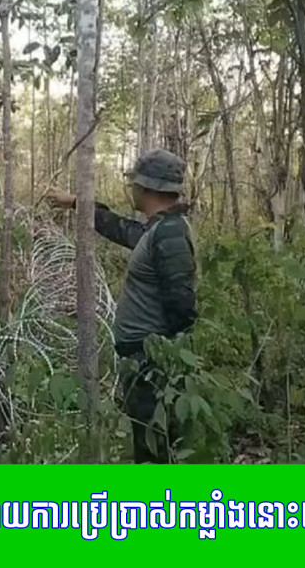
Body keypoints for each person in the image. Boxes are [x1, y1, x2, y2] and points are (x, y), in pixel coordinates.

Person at [46, 149, 197, 463]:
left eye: (135, 183)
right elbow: (122, 229)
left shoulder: (169, 234)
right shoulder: (158, 229)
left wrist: (157, 359)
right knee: (147, 443)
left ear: (147, 187)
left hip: (151, 365)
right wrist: (76, 203)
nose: (132, 189)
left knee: (155, 450)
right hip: (143, 361)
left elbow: (182, 308)